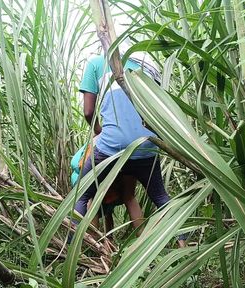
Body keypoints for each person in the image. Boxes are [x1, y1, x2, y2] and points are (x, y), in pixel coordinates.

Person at [75, 53, 185, 247]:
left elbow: (88, 112)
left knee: (83, 195)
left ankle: (73, 252)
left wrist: (99, 132)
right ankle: (183, 246)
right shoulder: (145, 66)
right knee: (158, 196)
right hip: (147, 144)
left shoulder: (96, 64)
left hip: (112, 146)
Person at [71, 143, 144, 237]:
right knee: (127, 198)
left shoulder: (100, 141)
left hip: (107, 163)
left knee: (93, 201)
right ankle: (94, 241)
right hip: (127, 156)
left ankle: (92, 242)